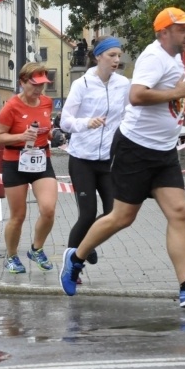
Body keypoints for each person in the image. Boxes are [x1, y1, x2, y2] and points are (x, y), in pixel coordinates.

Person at [61, 7, 185, 306]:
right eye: (182, 29)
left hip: (163, 150)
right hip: (135, 150)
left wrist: (180, 116)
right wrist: (175, 94)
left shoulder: (174, 58)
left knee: (179, 212)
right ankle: (76, 257)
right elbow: (138, 96)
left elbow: (161, 100)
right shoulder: (153, 56)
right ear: (164, 32)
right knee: (122, 217)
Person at [60, 36, 130, 273]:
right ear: (98, 56)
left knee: (114, 214)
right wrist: (86, 123)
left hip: (110, 161)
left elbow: (134, 113)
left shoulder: (123, 84)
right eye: (112, 55)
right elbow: (65, 121)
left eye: (119, 56)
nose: (116, 60)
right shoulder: (83, 84)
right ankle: (72, 266)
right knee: (87, 214)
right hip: (82, 159)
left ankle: (87, 243)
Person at [0, 62, 57, 274]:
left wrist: (52, 135)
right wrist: (21, 136)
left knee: (48, 210)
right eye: (35, 84)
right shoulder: (11, 107)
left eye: (42, 85)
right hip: (15, 162)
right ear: (22, 82)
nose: (39, 89)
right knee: (18, 215)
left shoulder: (47, 103)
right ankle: (11, 256)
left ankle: (36, 249)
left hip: (41, 160)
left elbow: (46, 129)